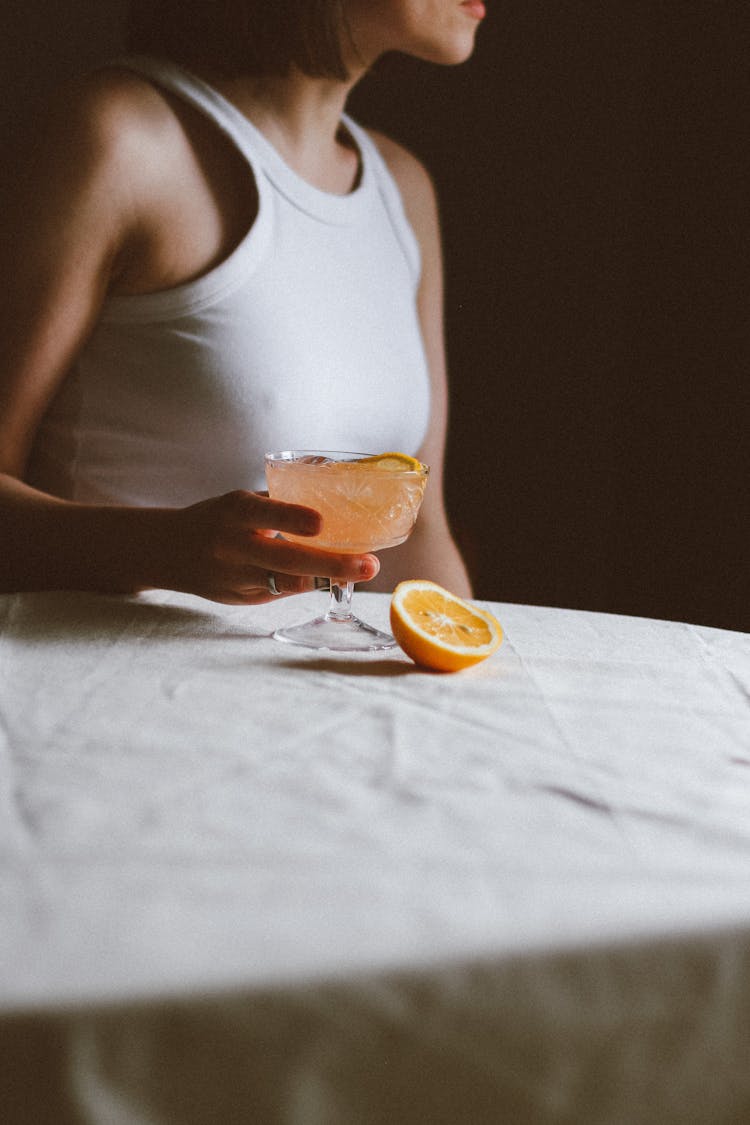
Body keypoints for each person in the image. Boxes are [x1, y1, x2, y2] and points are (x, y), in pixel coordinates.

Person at [0, 1, 481, 607]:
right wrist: (153, 549)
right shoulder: (119, 139)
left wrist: (473, 680)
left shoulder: (401, 188)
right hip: (101, 687)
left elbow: (420, 535)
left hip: (310, 697)